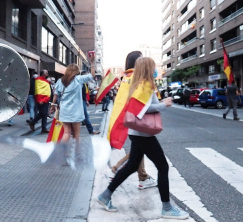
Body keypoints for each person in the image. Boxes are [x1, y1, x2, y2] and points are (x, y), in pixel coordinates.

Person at [97, 57, 188, 219]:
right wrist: (164, 105)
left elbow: (141, 106)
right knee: (163, 167)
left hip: (136, 133)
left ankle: (105, 195)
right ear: (148, 68)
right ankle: (167, 208)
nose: (156, 70)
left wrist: (159, 102)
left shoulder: (137, 84)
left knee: (132, 166)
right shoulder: (145, 84)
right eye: (154, 67)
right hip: (143, 134)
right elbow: (141, 110)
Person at [108, 51, 156, 190]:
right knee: (140, 148)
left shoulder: (126, 77)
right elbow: (144, 99)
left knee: (138, 149)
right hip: (137, 117)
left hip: (128, 117)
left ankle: (139, 175)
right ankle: (126, 172)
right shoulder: (138, 77)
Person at [50, 56, 96, 144]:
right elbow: (92, 75)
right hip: (76, 110)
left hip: (65, 110)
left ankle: (62, 151)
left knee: (66, 132)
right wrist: (92, 63)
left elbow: (56, 95)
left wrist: (52, 105)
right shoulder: (78, 79)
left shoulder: (60, 81)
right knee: (76, 134)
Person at [81, 70, 100, 135]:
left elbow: (84, 93)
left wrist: (86, 100)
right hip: (79, 102)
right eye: (86, 75)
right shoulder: (80, 83)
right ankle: (91, 130)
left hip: (82, 101)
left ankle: (91, 130)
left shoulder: (84, 83)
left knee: (85, 116)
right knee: (85, 116)